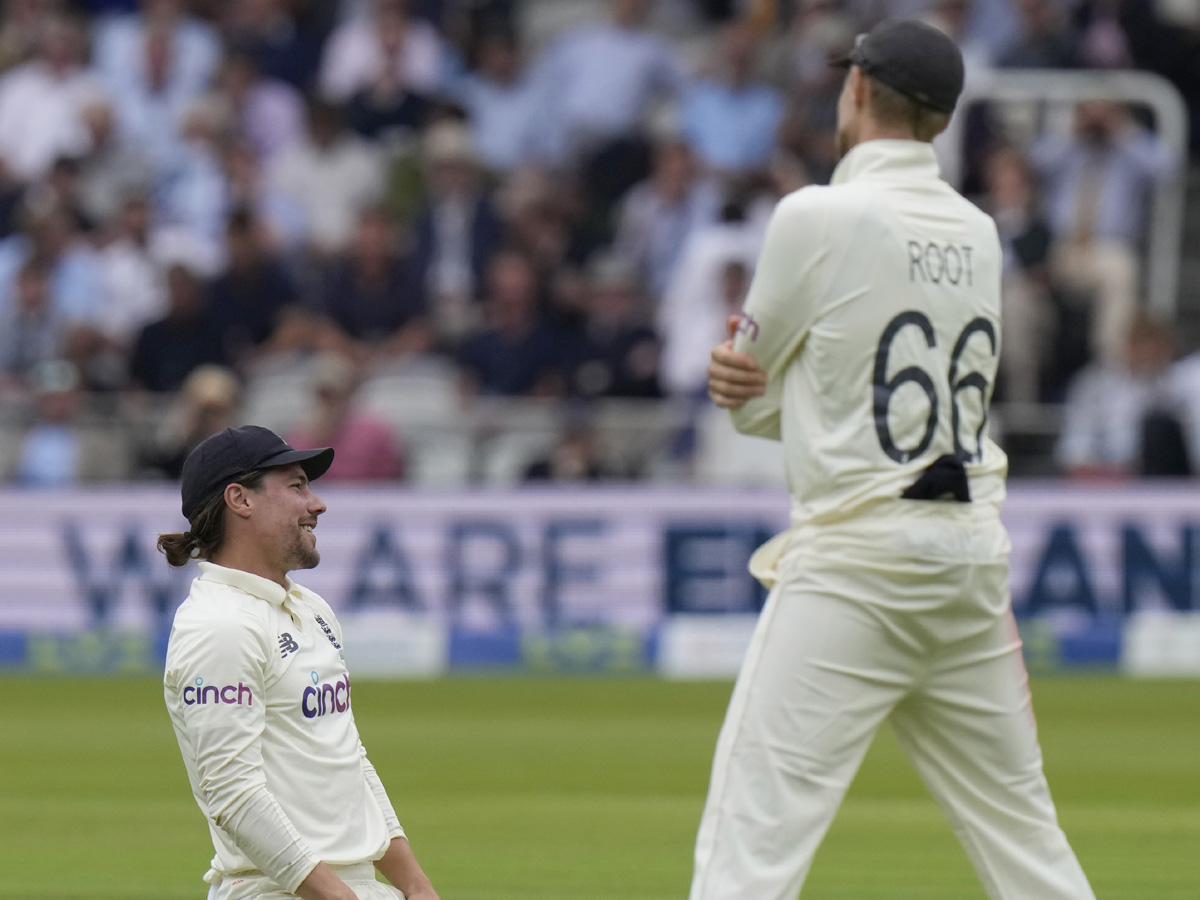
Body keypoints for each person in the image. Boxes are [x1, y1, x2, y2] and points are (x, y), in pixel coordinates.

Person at [696, 20, 1095, 900]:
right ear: (942, 123)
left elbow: (753, 402)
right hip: (967, 561)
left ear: (859, 91)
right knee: (1027, 847)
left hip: (858, 559)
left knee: (749, 845)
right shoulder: (981, 231)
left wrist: (749, 385)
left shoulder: (814, 214)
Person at [159, 424, 440, 900]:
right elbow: (234, 795)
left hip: (347, 886)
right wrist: (339, 896)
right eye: (296, 486)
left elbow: (348, 761)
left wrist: (416, 887)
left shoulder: (310, 608)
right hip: (276, 889)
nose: (318, 503)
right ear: (239, 499)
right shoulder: (220, 626)